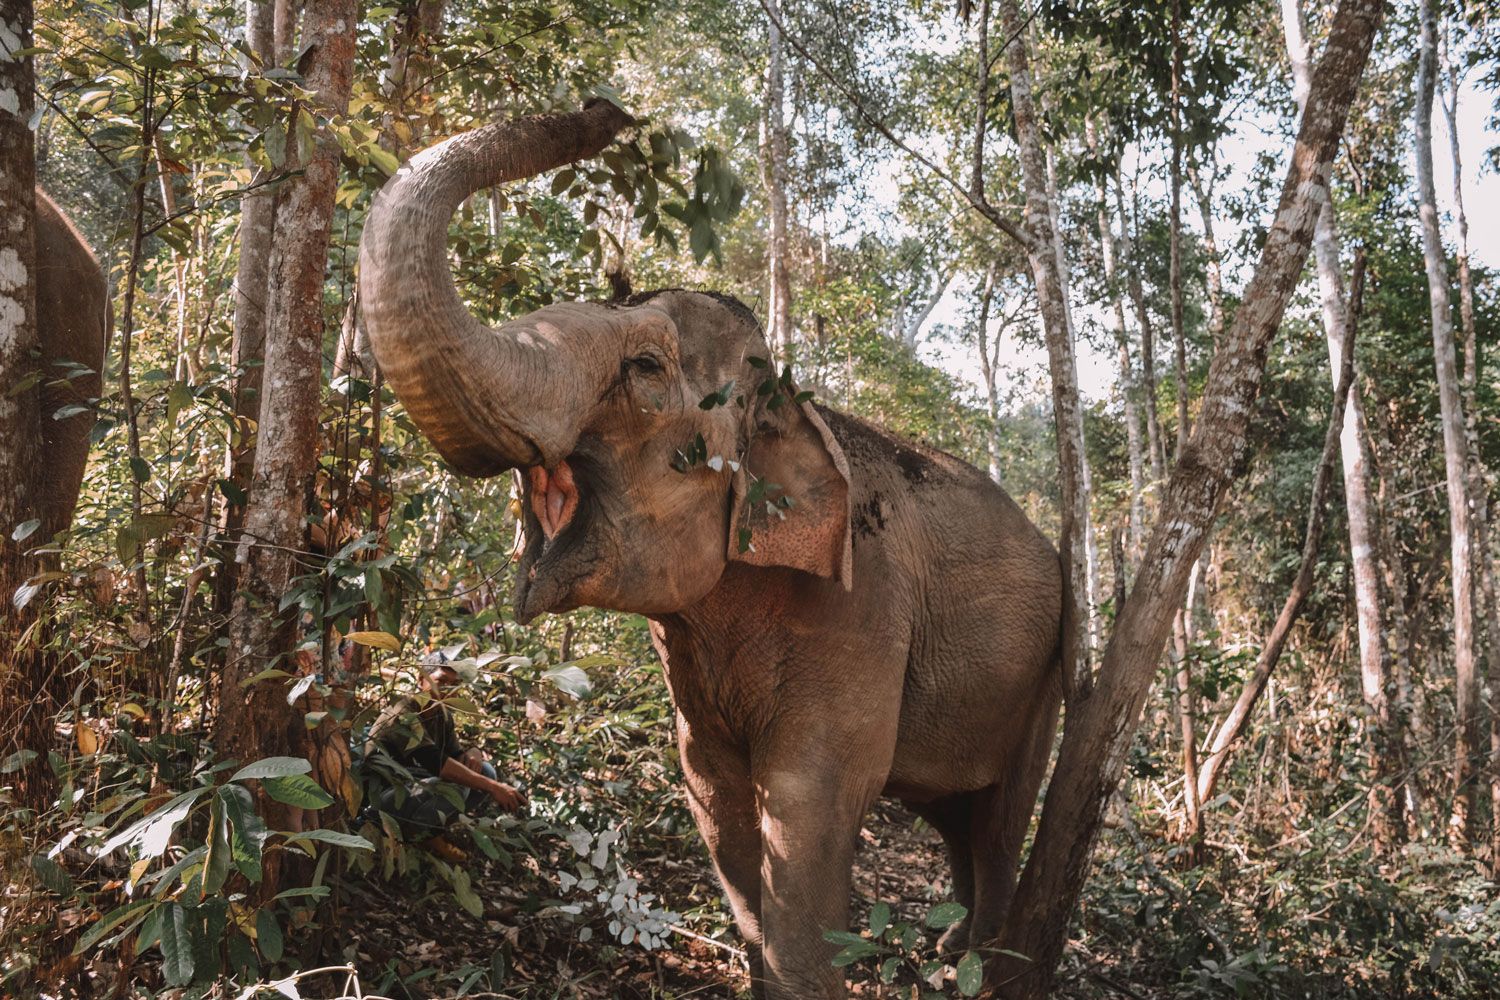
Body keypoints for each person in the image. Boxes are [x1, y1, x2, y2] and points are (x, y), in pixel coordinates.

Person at [364, 656, 526, 860]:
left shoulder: (441, 714)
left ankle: (429, 827)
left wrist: (473, 752)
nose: (449, 690)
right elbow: (439, 765)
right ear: (421, 678)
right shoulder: (405, 713)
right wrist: (494, 787)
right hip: (381, 796)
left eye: (455, 684)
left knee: (485, 771)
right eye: (442, 681)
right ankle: (420, 835)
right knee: (455, 786)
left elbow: (455, 755)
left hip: (411, 785)